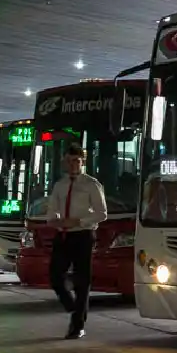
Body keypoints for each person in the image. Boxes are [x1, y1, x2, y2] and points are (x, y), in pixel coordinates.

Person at [45, 143, 108, 339]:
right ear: (65, 162)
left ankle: (77, 324)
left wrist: (79, 221)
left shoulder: (91, 184)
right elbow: (51, 209)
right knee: (55, 275)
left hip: (83, 235)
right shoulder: (60, 185)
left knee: (82, 281)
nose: (73, 164)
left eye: (77, 161)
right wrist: (54, 220)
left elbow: (102, 213)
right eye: (70, 161)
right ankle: (70, 305)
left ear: (83, 162)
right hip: (63, 234)